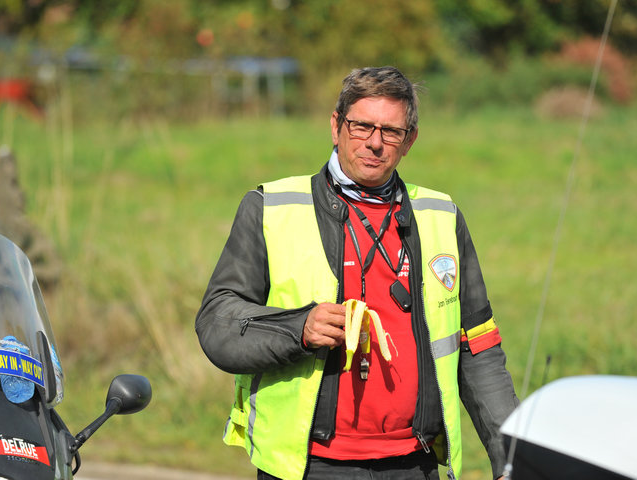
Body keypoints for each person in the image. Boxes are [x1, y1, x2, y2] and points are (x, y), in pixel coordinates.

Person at [196, 66, 518, 480]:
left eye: (391, 131)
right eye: (361, 125)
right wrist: (300, 327)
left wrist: (512, 461)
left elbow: (479, 348)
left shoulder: (442, 215)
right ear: (336, 126)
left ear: (410, 141)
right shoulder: (270, 206)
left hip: (413, 463)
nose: (374, 143)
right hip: (310, 466)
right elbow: (217, 323)